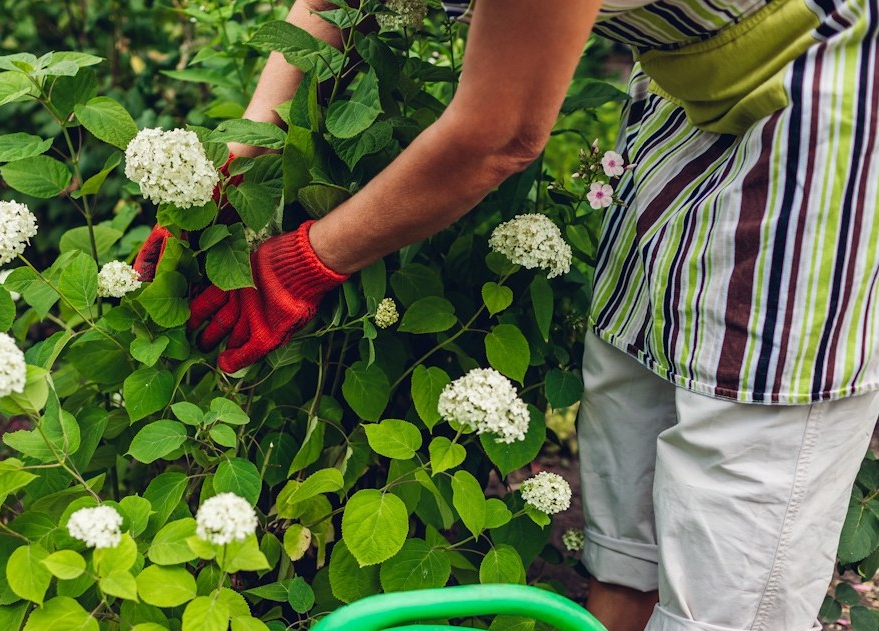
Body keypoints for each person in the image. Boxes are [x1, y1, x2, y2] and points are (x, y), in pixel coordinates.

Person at [142, 0, 879, 629]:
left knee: (737, 510)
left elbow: (498, 133)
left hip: (827, 104)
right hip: (686, 93)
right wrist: (228, 174)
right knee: (631, 445)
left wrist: (305, 262)